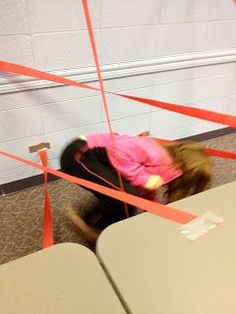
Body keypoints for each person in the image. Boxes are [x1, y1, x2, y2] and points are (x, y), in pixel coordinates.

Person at [60, 133, 213, 240]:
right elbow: (117, 148)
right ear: (187, 175)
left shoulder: (169, 168)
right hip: (79, 155)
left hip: (99, 160)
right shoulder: (155, 152)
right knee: (124, 195)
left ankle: (104, 229)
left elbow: (146, 189)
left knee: (130, 200)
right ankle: (89, 225)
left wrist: (153, 208)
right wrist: (142, 177)